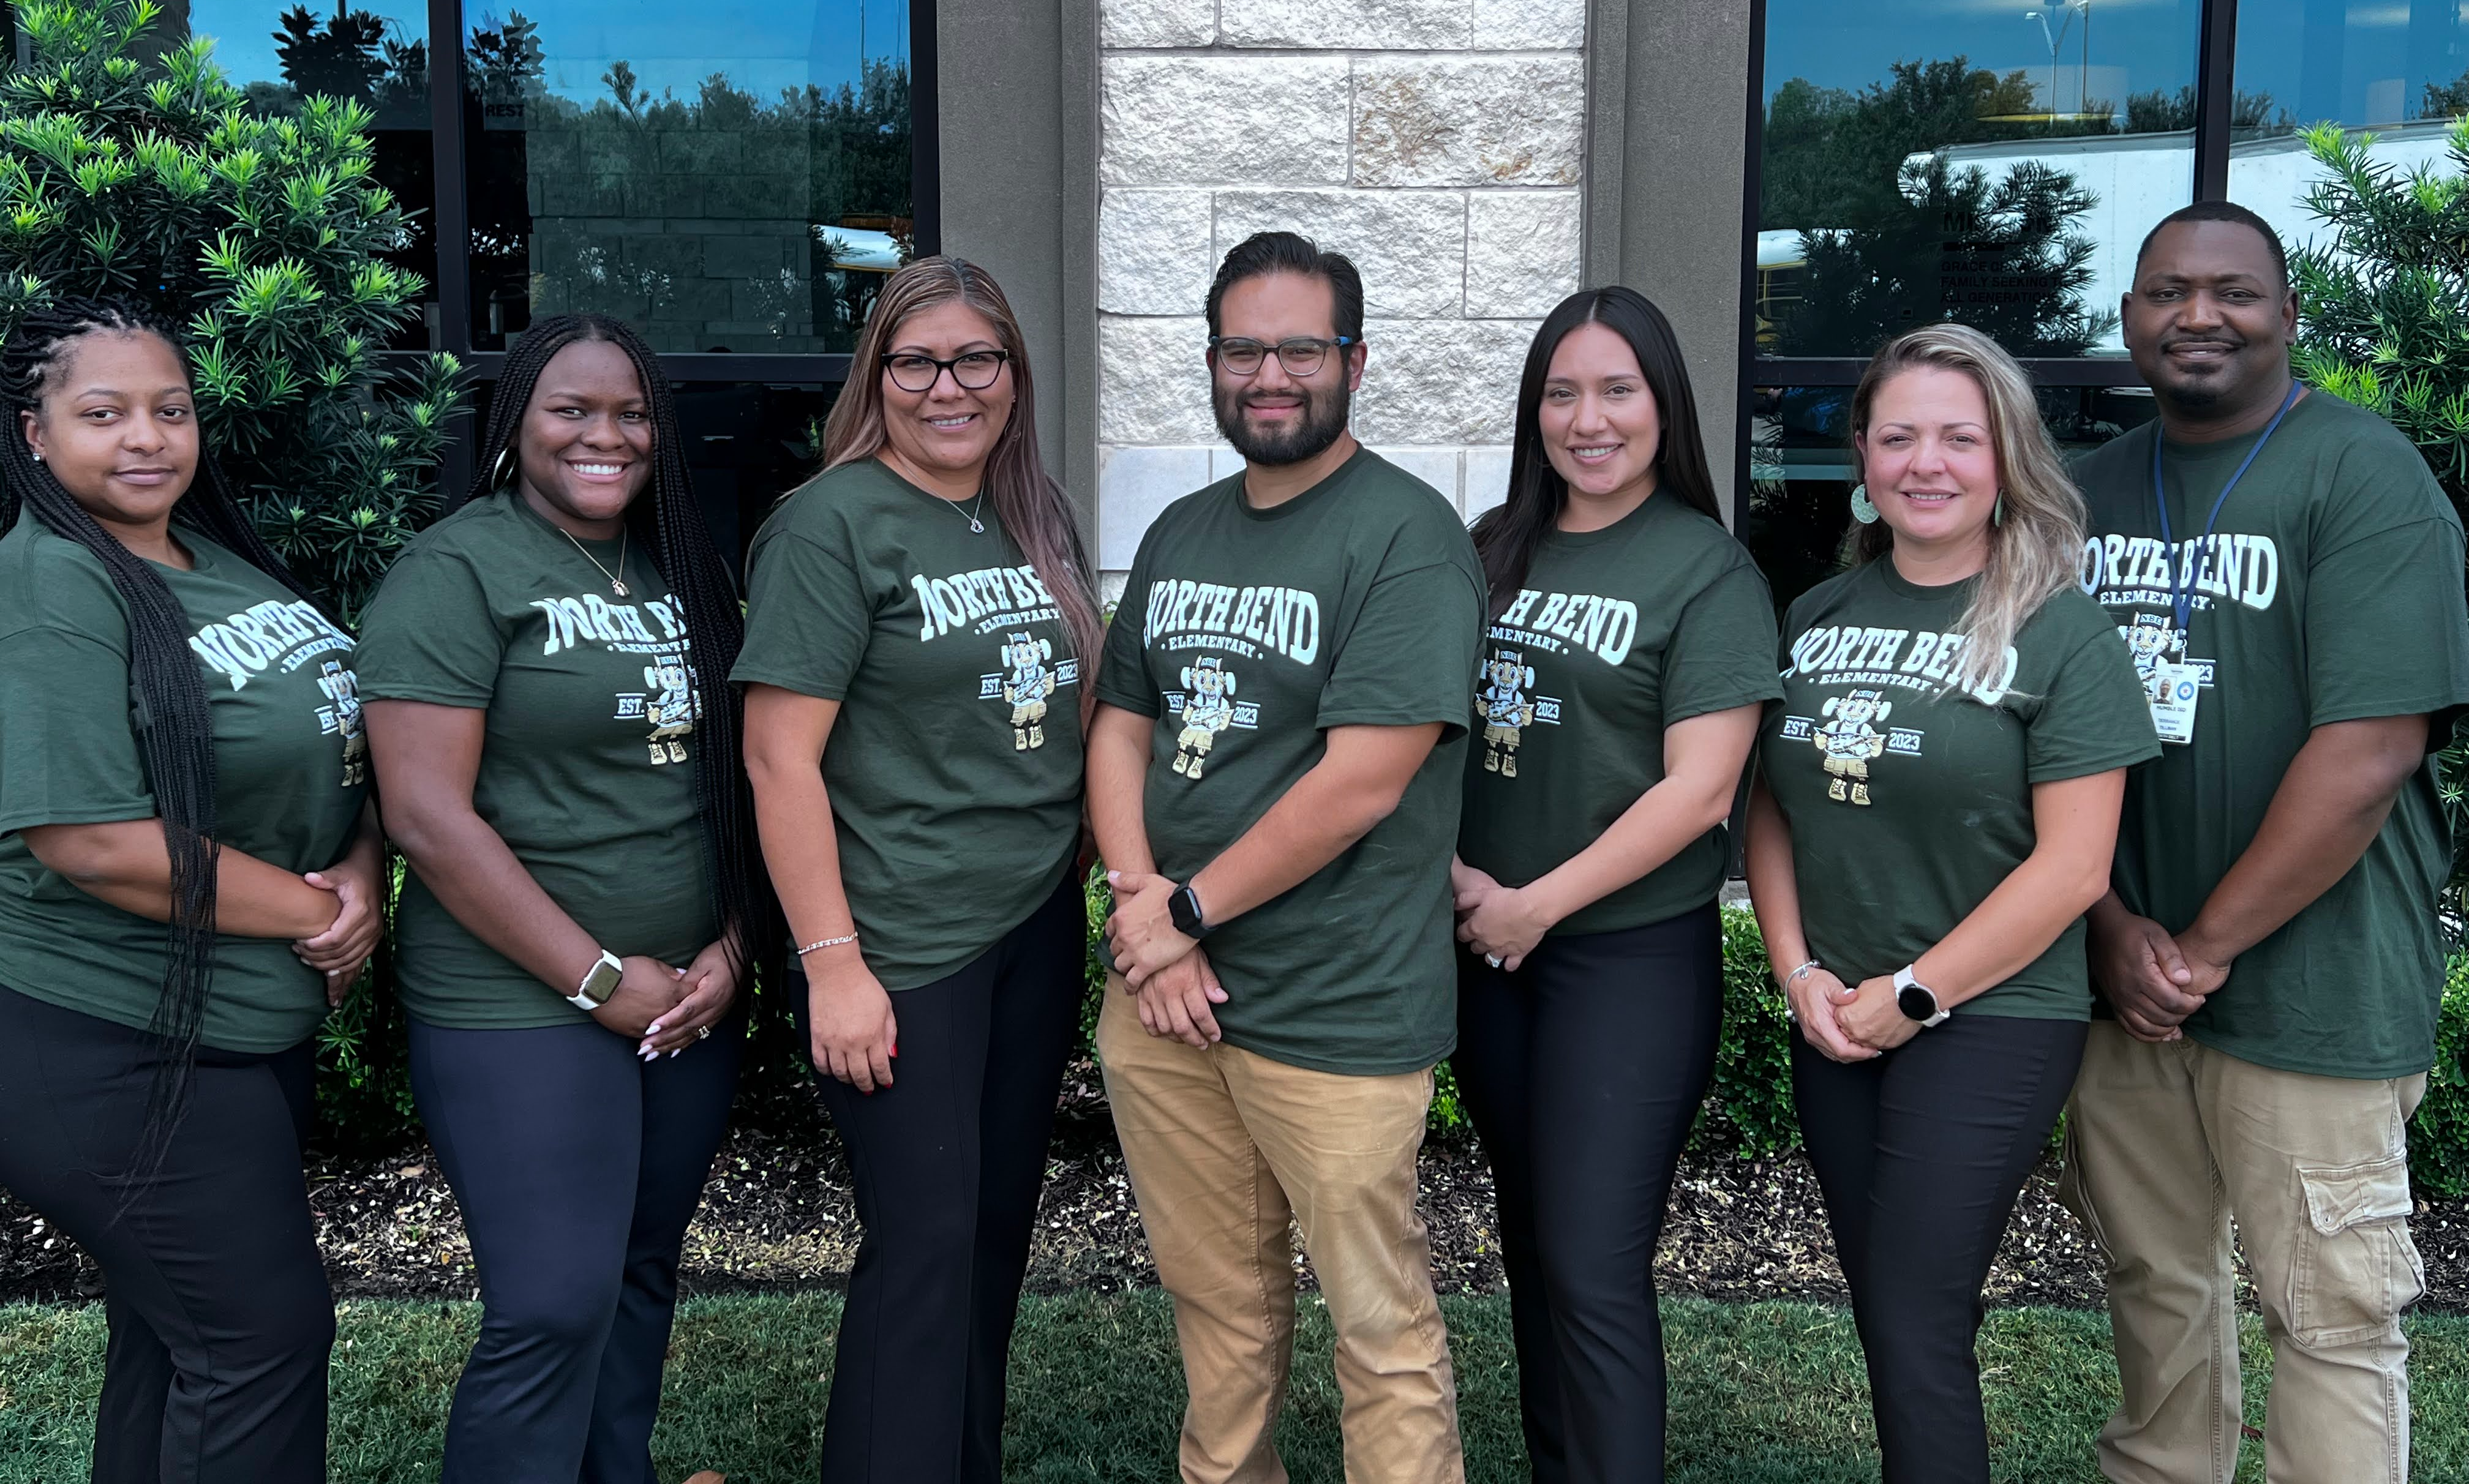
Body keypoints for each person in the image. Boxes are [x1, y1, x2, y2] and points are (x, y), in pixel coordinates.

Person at [2064, 201, 2469, 1484]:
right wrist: (2111, 931)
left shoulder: (2363, 474)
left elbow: (2371, 753)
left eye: (2235, 292)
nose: (2200, 315)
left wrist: (2197, 947)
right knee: (2153, 1284)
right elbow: (2021, 747)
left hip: (2315, 983)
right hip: (2121, 979)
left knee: (2334, 1315)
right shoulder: (2085, 494)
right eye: (2168, 291)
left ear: (2290, 317)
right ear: (2128, 320)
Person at [1089, 230, 1485, 1484]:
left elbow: (1364, 780)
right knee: (1220, 1313)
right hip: (1167, 999)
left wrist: (1183, 912)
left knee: (1381, 1329)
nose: (1270, 373)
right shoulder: (1179, 532)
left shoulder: (1410, 538)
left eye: (1299, 348)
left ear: (1355, 363)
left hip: (1337, 1007)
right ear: (1211, 363)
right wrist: (1143, 907)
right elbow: (1122, 723)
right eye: (1243, 348)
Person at [1743, 323, 2158, 1484]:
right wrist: (1800, 976)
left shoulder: (2059, 629)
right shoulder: (1816, 615)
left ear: (2006, 459)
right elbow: (1767, 806)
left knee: (1917, 1320)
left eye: (1959, 438)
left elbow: (2075, 869)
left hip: (1992, 1020)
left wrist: (1915, 996)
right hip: (1838, 1018)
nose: (1927, 462)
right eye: (1898, 437)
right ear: (1864, 463)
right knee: (1892, 1315)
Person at [356, 312, 767, 1480]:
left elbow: (734, 780)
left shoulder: (678, 563)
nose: (608, 436)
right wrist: (598, 981)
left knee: (635, 1281)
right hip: (520, 1006)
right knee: (548, 1306)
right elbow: (426, 816)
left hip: (686, 999)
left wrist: (734, 946)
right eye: (572, 410)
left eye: (633, 413)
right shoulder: (458, 570)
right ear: (516, 423)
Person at [0, 297, 382, 1482]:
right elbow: (92, 841)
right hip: (101, 1039)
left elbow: (336, 745)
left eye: (170, 409)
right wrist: (322, 913)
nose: (146, 438)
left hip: (229, 1031)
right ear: (34, 434)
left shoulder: (204, 560)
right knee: (260, 1341)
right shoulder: (52, 581)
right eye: (102, 414)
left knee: (175, 1352)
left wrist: (365, 870)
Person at [735, 257, 1100, 1483]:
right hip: (901, 940)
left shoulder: (1029, 512)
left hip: (1034, 927)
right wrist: (833, 966)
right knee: (928, 1243)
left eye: (977, 360)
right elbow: (779, 760)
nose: (951, 387)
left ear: (1014, 374)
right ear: (876, 375)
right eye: (917, 362)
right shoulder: (828, 525)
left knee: (991, 1241)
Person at [1449, 286, 1779, 1484]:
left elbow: (1701, 791)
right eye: (1562, 393)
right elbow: (1417, 731)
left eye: (1617, 390)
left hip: (1625, 962)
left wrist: (1537, 904)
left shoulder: (1707, 570)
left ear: (1664, 405)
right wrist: (1454, 875)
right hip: (1486, 952)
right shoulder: (1490, 549)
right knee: (1534, 1249)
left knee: (1593, 1261)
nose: (1588, 419)